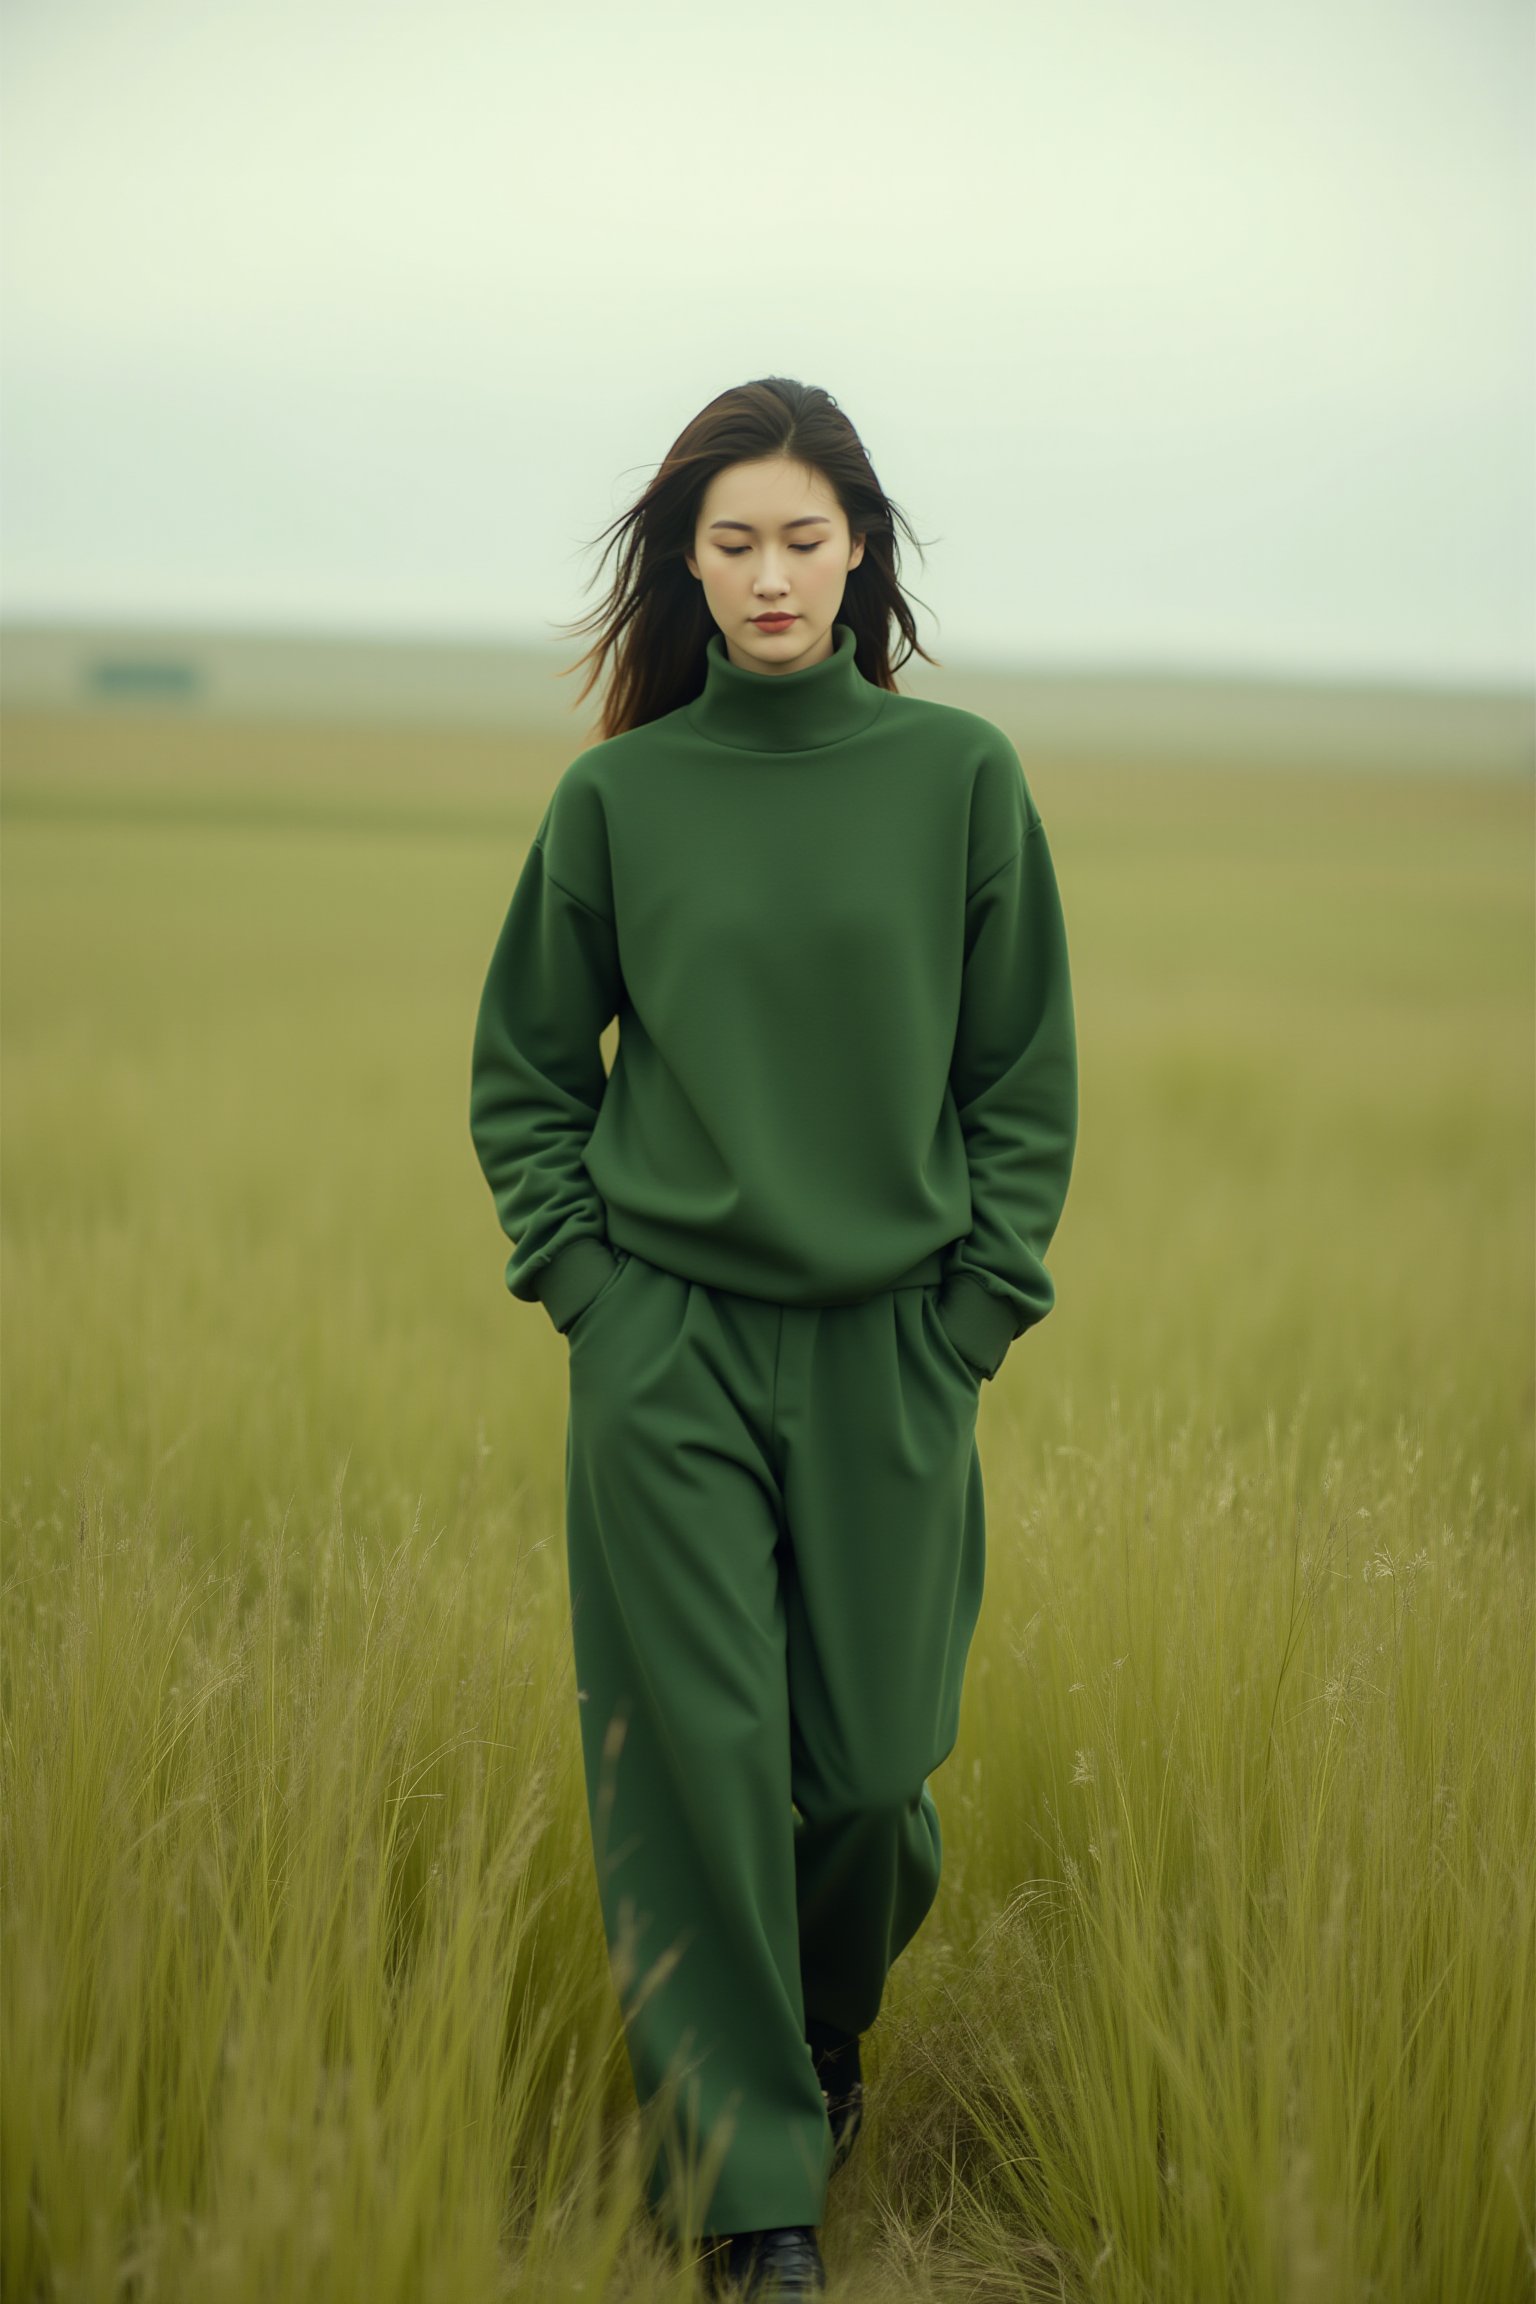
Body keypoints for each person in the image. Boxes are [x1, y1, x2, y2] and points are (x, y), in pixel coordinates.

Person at [468, 376, 1078, 2301]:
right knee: (698, 1764)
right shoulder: (620, 799)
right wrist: (589, 1287)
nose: (771, 575)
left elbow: (1022, 1074)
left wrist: (974, 1311)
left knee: (872, 1779)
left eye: (803, 538)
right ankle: (753, 2195)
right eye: (731, 542)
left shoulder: (961, 776)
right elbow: (525, 1075)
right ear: (688, 566)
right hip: (668, 1352)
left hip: (893, 1344)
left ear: (860, 548)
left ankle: (807, 2053)